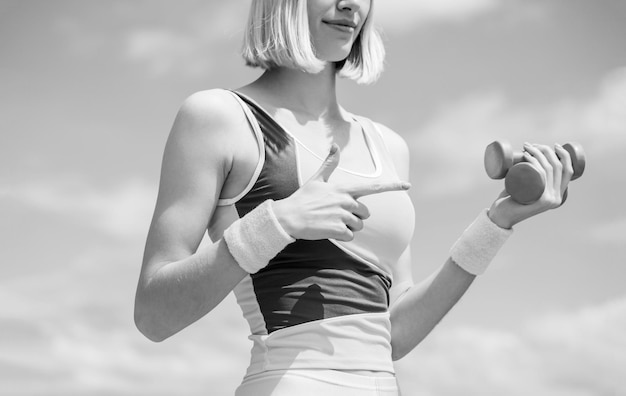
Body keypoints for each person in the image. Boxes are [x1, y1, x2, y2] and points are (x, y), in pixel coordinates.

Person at [134, 0, 575, 395]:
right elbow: (154, 316)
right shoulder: (218, 117)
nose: (349, 5)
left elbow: (394, 334)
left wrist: (496, 224)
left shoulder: (388, 146)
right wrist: (279, 222)